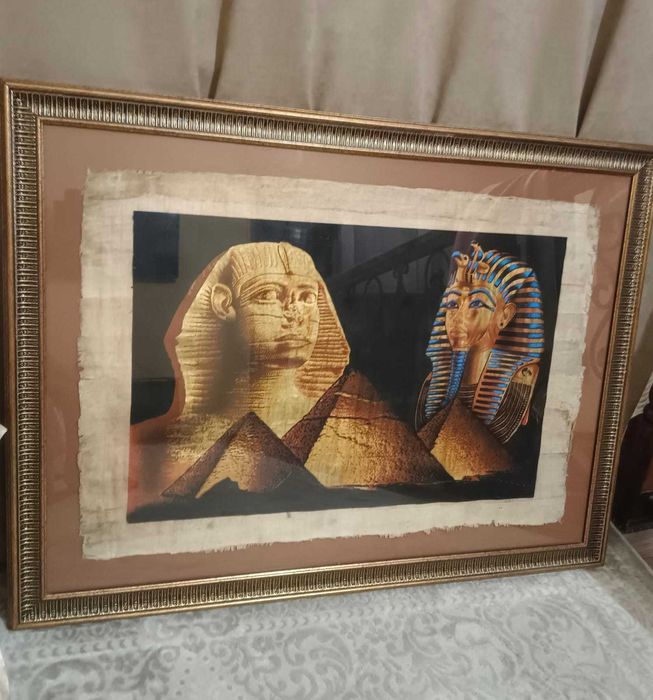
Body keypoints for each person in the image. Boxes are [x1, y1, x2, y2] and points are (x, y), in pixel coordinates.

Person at [128, 241, 349, 513]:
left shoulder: (344, 432)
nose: (296, 315)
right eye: (268, 294)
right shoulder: (146, 448)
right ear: (223, 303)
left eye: (307, 297)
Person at [417, 241, 544, 444]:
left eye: (476, 303)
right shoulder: (432, 383)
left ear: (504, 316)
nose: (459, 317)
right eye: (453, 304)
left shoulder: (521, 381)